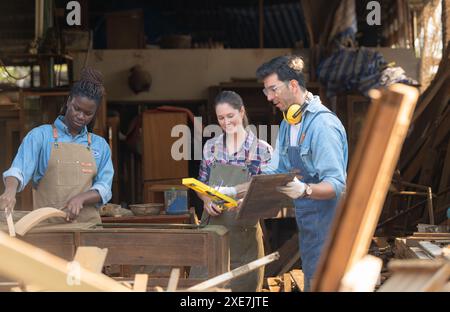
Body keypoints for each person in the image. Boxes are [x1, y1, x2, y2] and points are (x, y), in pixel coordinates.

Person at [256, 55, 348, 291]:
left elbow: (337, 184)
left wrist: (305, 189)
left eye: (273, 89)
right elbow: (275, 168)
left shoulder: (322, 125)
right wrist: (236, 188)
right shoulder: (288, 122)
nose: (268, 97)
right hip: (309, 228)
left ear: (293, 85)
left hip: (330, 231)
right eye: (266, 91)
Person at [0, 68, 113, 224]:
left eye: (88, 114)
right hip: (49, 231)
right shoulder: (40, 136)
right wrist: (10, 191)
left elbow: (105, 187)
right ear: (68, 101)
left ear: (94, 113)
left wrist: (81, 198)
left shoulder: (100, 146)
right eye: (77, 108)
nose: (80, 116)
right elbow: (18, 170)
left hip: (88, 229)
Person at [195, 90, 272, 292]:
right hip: (213, 231)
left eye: (231, 116)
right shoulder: (211, 147)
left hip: (244, 233)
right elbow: (201, 184)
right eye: (221, 118)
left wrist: (246, 204)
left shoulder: (261, 150)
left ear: (242, 112)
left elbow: (268, 193)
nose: (226, 122)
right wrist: (205, 200)